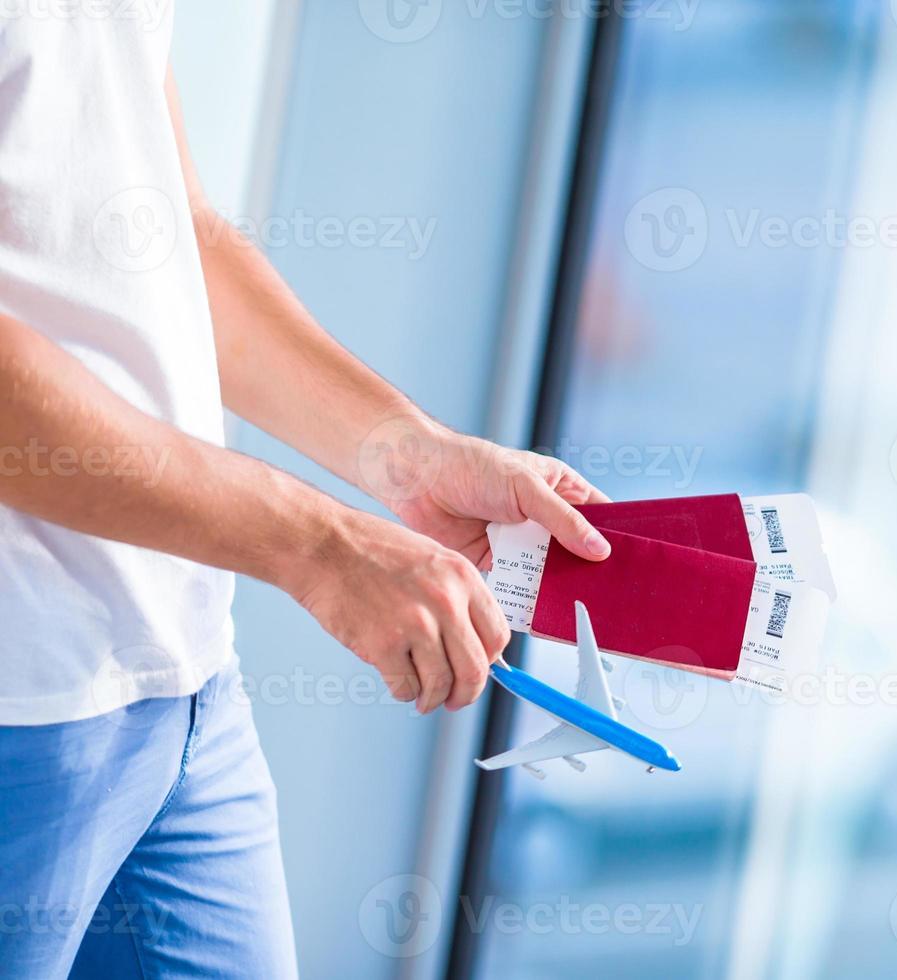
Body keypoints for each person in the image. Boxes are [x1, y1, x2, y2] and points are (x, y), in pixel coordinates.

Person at [0, 8, 611, 978]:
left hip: (182, 682)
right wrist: (317, 544)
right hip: (22, 711)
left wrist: (410, 454)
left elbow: (167, 226)